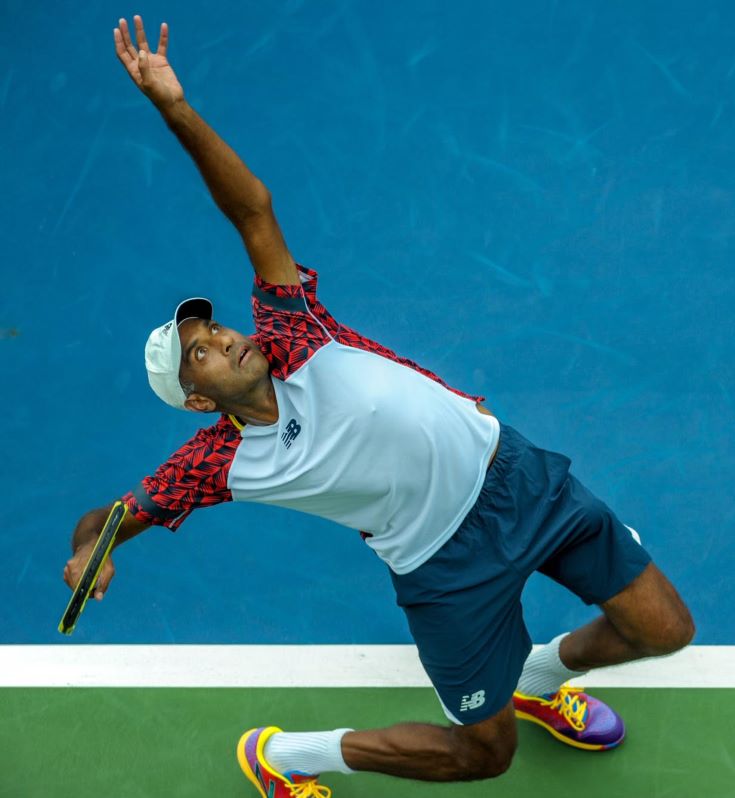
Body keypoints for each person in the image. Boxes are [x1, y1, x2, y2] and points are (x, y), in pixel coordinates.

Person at [63, 15, 694, 796]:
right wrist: (95, 547)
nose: (223, 339)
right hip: (444, 568)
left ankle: (535, 678)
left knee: (663, 629)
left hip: (518, 478)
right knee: (482, 756)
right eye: (202, 352)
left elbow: (253, 211)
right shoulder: (218, 461)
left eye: (215, 327)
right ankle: (284, 757)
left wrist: (175, 106)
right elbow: (114, 517)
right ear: (197, 401)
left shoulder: (295, 329)